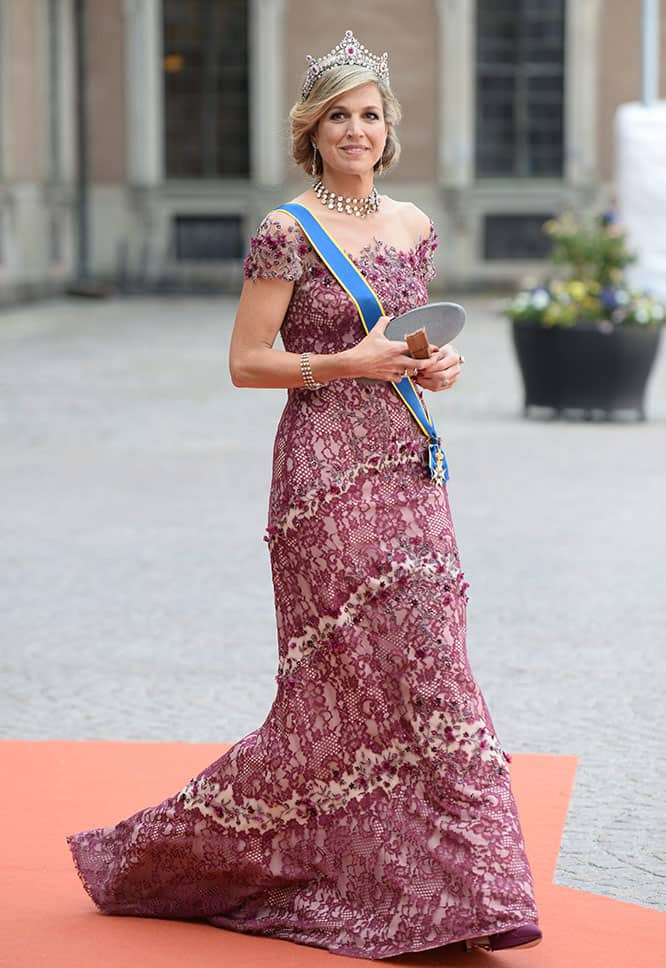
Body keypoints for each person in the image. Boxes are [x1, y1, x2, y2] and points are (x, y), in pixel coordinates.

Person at [67, 30, 541, 959]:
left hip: (409, 466)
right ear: (311, 132)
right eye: (339, 117)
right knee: (342, 689)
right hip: (323, 480)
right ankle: (166, 860)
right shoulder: (287, 231)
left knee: (433, 661)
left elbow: (401, 345)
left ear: (388, 129)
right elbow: (247, 362)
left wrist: (429, 366)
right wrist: (346, 362)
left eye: (370, 115)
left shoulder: (412, 226)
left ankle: (462, 894)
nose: (357, 130)